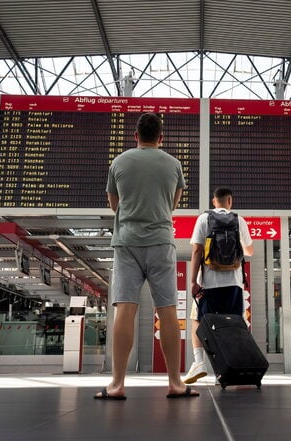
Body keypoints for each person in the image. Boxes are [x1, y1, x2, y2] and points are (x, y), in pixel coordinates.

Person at [96, 112, 198, 400]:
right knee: (167, 310)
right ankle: (175, 382)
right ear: (161, 137)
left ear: (136, 136)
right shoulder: (174, 164)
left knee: (125, 309)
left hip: (126, 242)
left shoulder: (119, 162)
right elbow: (172, 204)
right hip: (161, 242)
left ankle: (116, 384)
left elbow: (114, 204)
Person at [184, 187, 253, 384]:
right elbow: (249, 251)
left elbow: (197, 251)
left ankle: (199, 363)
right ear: (230, 201)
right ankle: (226, 370)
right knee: (232, 325)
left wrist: (193, 282)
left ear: (214, 201)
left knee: (198, 320)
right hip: (234, 284)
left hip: (209, 283)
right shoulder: (239, 220)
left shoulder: (204, 219)